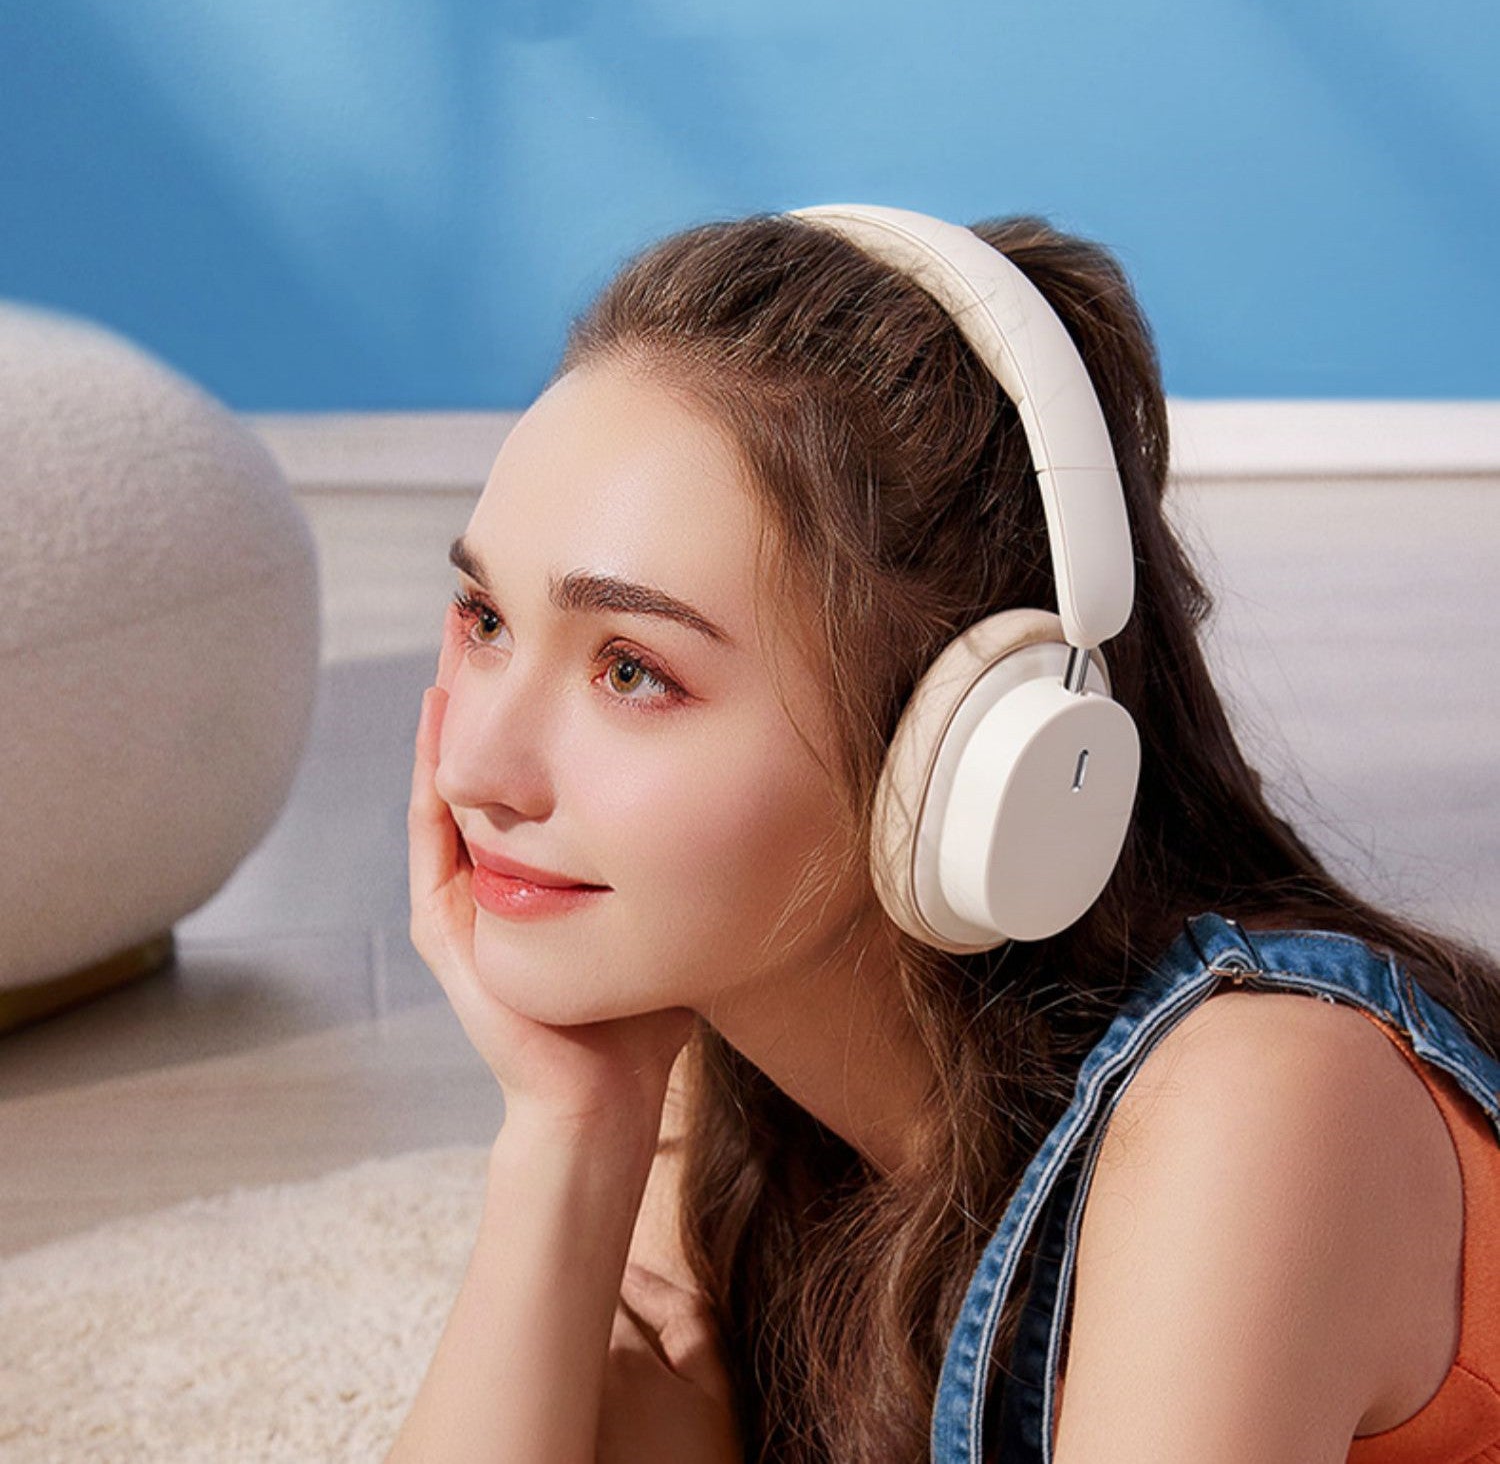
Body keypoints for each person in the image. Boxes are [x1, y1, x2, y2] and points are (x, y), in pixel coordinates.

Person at [386, 206, 1500, 1464]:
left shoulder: (1264, 1109)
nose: (477, 766)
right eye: (484, 619)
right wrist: (569, 1134)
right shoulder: (716, 1074)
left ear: (969, 752)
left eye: (634, 671)